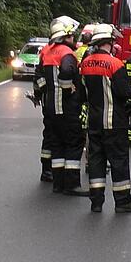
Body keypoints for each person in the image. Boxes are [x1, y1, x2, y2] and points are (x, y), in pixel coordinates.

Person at [78, 24, 131, 214]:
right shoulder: (116, 65)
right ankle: (123, 201)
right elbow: (124, 92)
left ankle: (96, 202)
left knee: (96, 161)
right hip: (115, 122)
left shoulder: (86, 63)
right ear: (110, 41)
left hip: (94, 122)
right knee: (119, 161)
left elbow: (82, 94)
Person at [35, 15, 89, 196]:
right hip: (67, 108)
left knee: (56, 144)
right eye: (72, 35)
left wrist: (45, 91)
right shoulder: (66, 53)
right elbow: (66, 71)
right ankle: (72, 184)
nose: (74, 39)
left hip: (50, 107)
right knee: (74, 143)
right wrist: (68, 89)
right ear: (65, 36)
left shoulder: (46, 52)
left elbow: (38, 78)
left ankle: (58, 183)